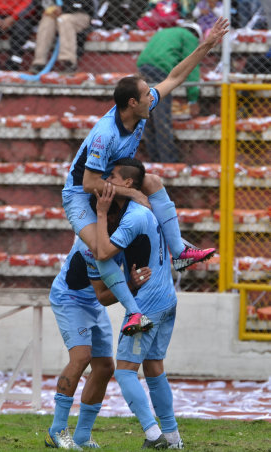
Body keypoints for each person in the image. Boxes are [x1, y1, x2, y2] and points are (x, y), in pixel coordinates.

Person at [62, 17, 228, 331]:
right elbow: (88, 182)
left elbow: (175, 77)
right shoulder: (104, 135)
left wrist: (206, 45)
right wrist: (134, 193)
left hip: (107, 185)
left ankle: (179, 251)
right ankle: (134, 310)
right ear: (132, 103)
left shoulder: (142, 106)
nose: (153, 96)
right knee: (100, 250)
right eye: (146, 94)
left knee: (152, 181)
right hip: (81, 195)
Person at [94, 157, 183, 449]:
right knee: (154, 366)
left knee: (124, 371)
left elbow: (104, 251)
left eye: (114, 177)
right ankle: (173, 438)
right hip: (167, 297)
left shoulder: (133, 216)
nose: (108, 181)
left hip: (147, 306)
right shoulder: (149, 207)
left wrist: (101, 212)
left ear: (128, 184)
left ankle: (154, 435)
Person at [45, 211, 151, 450]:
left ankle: (82, 435)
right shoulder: (91, 243)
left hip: (91, 302)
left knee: (104, 367)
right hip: (70, 299)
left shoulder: (125, 233)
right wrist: (132, 284)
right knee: (81, 357)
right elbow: (105, 296)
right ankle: (57, 430)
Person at [136, 20, 203, 162]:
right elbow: (191, 67)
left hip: (144, 67)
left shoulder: (166, 32)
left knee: (147, 115)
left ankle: (155, 159)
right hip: (161, 69)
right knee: (162, 118)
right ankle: (168, 160)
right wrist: (192, 98)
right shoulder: (190, 37)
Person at [30, 0, 95, 74]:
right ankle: (39, 62)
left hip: (80, 15)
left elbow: (83, 6)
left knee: (64, 19)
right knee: (47, 20)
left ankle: (68, 61)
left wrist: (63, 9)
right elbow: (43, 3)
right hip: (59, 14)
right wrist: (50, 9)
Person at [0, 0, 35, 71]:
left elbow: (29, 3)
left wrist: (14, 17)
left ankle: (13, 65)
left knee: (22, 31)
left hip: (20, 16)